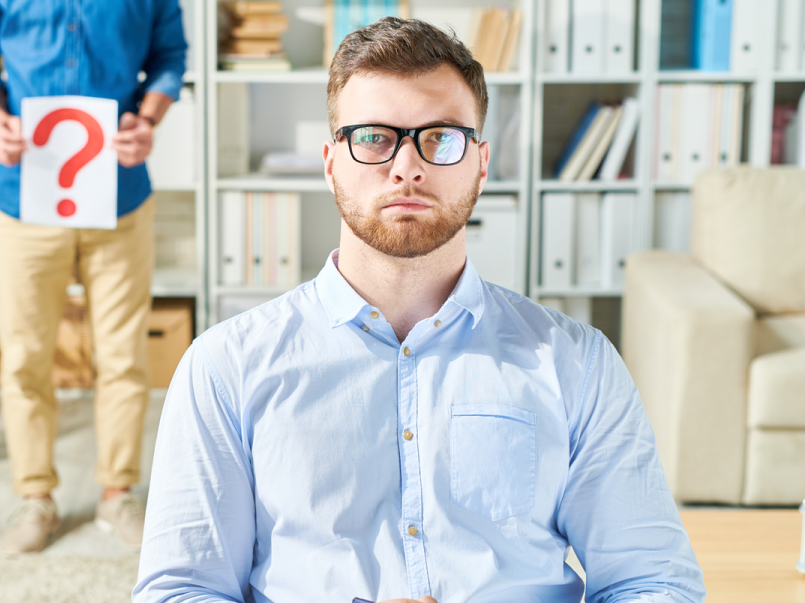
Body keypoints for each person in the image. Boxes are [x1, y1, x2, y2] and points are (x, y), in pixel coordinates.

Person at [134, 18, 705, 603]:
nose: (407, 166)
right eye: (374, 137)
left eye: (441, 137)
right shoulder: (224, 366)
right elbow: (180, 590)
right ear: (331, 162)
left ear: (481, 164)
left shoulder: (578, 363)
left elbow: (654, 583)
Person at [0, 1, 188, 554]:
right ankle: (35, 497)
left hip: (121, 196)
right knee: (24, 356)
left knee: (123, 354)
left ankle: (117, 493)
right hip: (24, 196)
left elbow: (169, 58)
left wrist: (148, 120)